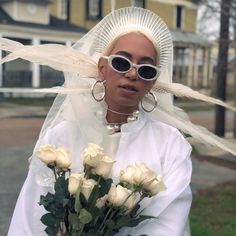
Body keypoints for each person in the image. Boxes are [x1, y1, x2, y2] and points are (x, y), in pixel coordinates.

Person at [3, 7, 235, 236]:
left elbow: (167, 226)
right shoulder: (60, 138)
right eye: (122, 63)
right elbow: (29, 218)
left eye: (145, 70)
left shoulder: (170, 145)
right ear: (102, 68)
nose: (133, 74)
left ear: (152, 82)